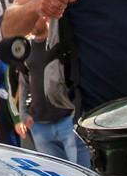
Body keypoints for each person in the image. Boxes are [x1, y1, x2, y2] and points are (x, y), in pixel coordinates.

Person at [15, 25, 90, 166]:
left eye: (35, 17)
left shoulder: (60, 41)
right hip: (39, 124)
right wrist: (23, 115)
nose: (32, 22)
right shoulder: (26, 48)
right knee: (55, 174)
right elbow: (23, 84)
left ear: (45, 16)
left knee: (82, 170)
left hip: (67, 118)